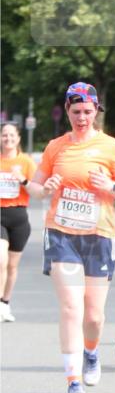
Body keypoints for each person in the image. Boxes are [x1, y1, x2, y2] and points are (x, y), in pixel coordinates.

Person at [29, 83, 115, 393]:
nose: (82, 118)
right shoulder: (56, 147)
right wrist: (44, 187)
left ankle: (91, 351)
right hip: (62, 233)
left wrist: (111, 185)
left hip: (99, 235)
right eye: (76, 112)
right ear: (67, 112)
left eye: (88, 112)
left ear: (96, 111)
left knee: (94, 316)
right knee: (71, 308)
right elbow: (33, 186)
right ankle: (73, 382)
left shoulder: (111, 147)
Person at [0, 122, 37, 321]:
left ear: (18, 138)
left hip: (19, 218)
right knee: (0, 259)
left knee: (12, 266)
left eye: (11, 135)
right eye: (4, 135)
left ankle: (5, 303)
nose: (8, 139)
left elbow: (37, 190)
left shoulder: (26, 162)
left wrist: (22, 179)